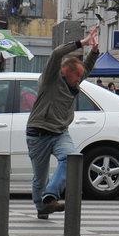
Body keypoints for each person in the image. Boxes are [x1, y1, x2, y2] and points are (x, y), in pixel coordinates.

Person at [26, 28, 99, 219]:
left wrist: (94, 51)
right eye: (77, 77)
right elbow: (57, 53)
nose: (79, 81)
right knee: (39, 177)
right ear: (66, 71)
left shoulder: (74, 81)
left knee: (72, 158)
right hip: (38, 132)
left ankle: (50, 197)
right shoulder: (51, 78)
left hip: (59, 133)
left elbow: (86, 69)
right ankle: (41, 207)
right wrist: (82, 43)